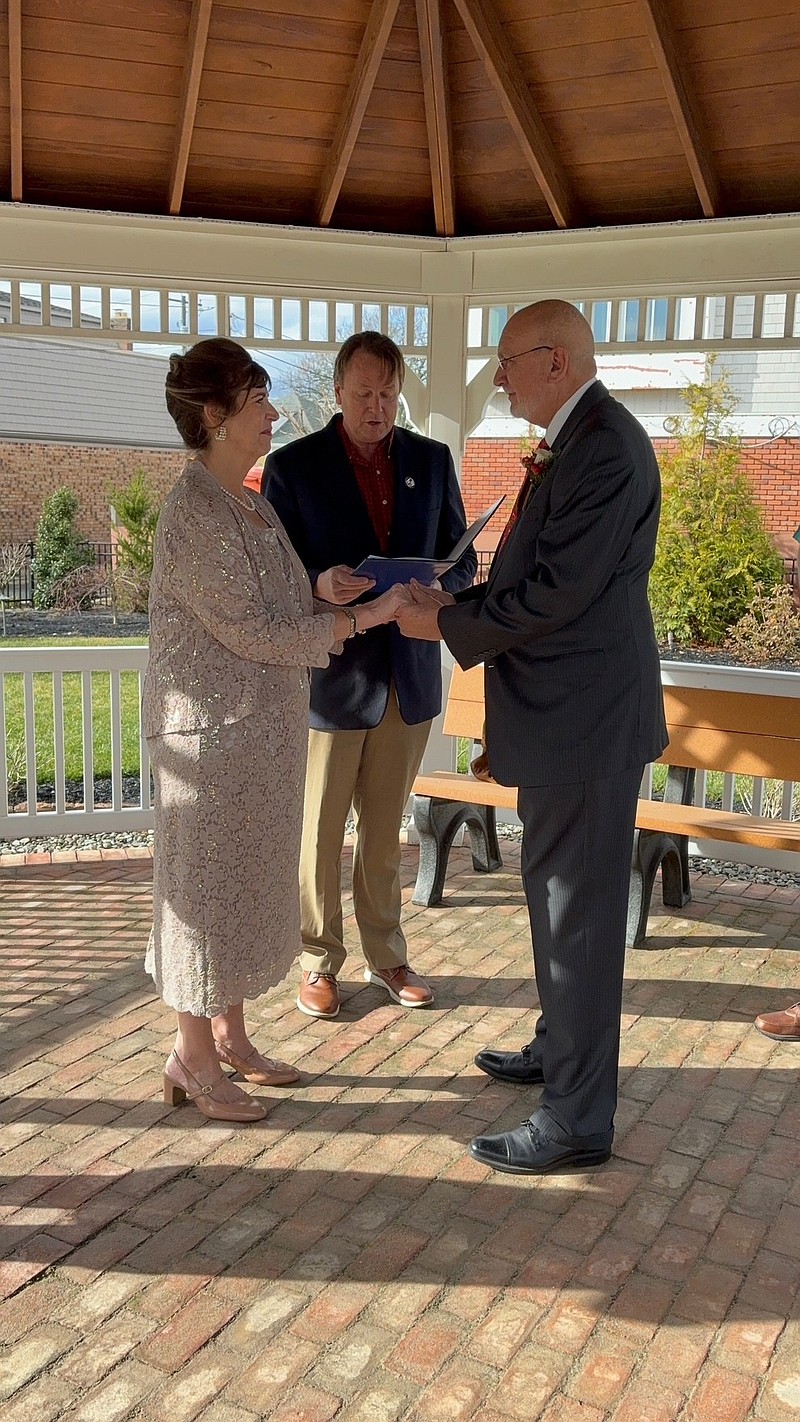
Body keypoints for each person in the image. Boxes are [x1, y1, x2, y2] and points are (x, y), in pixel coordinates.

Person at [396, 300, 667, 1174]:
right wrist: (455, 602)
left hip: (585, 724)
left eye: (507, 362)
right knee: (556, 901)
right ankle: (561, 1048)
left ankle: (577, 1120)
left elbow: (558, 593)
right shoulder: (577, 438)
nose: (499, 379)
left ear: (556, 361)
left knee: (577, 918)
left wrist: (445, 624)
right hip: (568, 719)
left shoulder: (605, 446)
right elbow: (541, 576)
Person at [143, 337, 405, 1122]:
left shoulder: (249, 502)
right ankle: (191, 1057)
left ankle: (230, 1038)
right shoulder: (195, 511)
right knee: (203, 897)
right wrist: (364, 618)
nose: (273, 413)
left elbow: (280, 607)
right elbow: (251, 632)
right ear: (215, 416)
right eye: (258, 400)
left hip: (255, 740)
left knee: (240, 895)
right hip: (207, 747)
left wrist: (325, 592)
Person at [264, 331, 476, 1020]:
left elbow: (463, 561)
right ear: (337, 391)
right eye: (363, 394)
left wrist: (440, 585)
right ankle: (317, 962)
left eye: (388, 393)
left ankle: (387, 956)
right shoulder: (292, 466)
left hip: (407, 679)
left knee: (385, 834)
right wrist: (317, 583)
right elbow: (272, 574)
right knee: (319, 833)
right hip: (329, 679)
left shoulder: (432, 461)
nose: (377, 407)